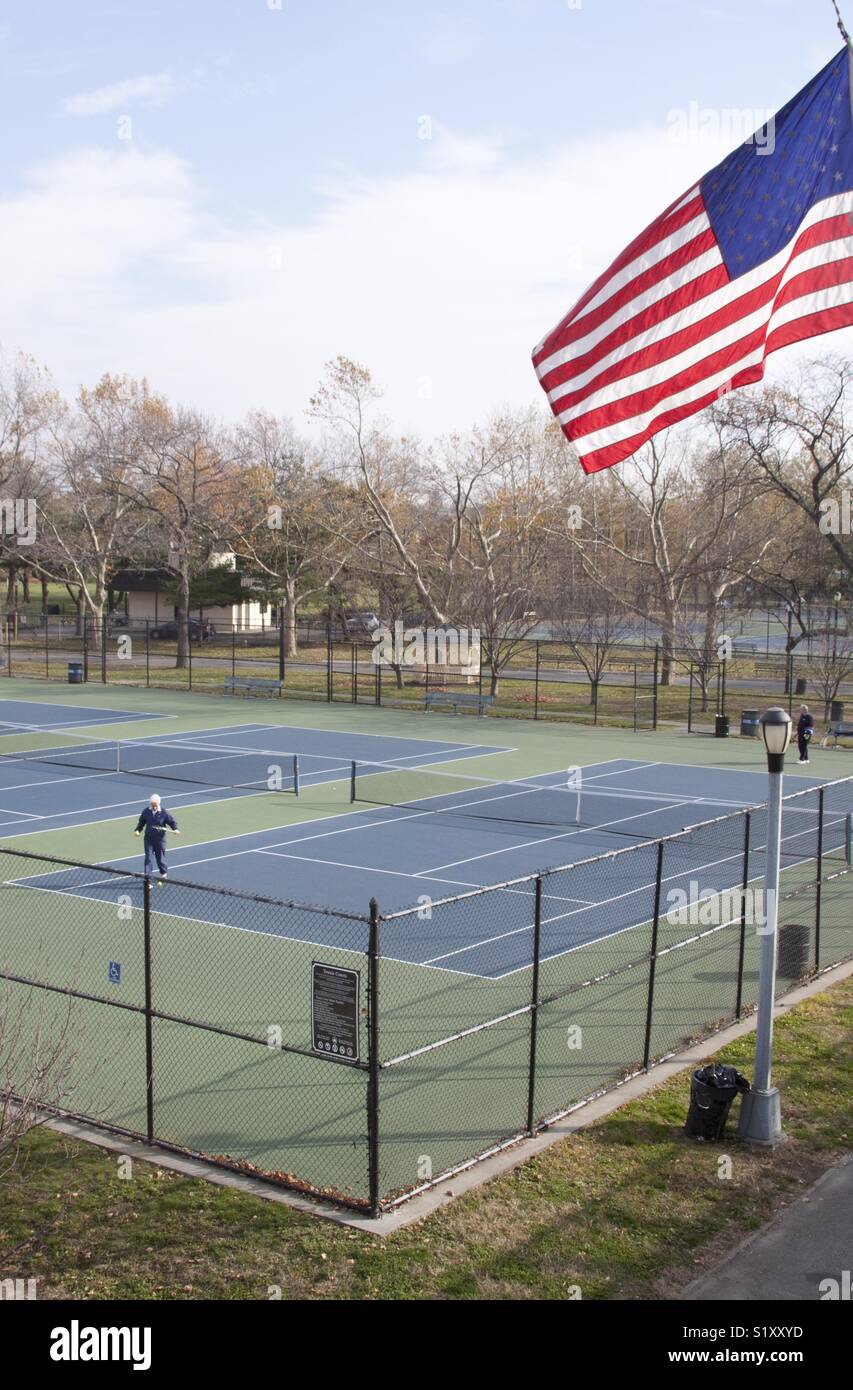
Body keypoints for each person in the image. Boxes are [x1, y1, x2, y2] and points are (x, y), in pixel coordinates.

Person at [134, 794, 180, 881]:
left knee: (160, 858)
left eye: (155, 805)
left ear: (159, 804)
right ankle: (148, 879)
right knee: (148, 859)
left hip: (160, 841)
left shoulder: (164, 813)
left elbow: (172, 822)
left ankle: (163, 873)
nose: (154, 807)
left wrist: (175, 829)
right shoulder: (146, 812)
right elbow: (141, 822)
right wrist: (138, 830)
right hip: (148, 840)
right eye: (152, 805)